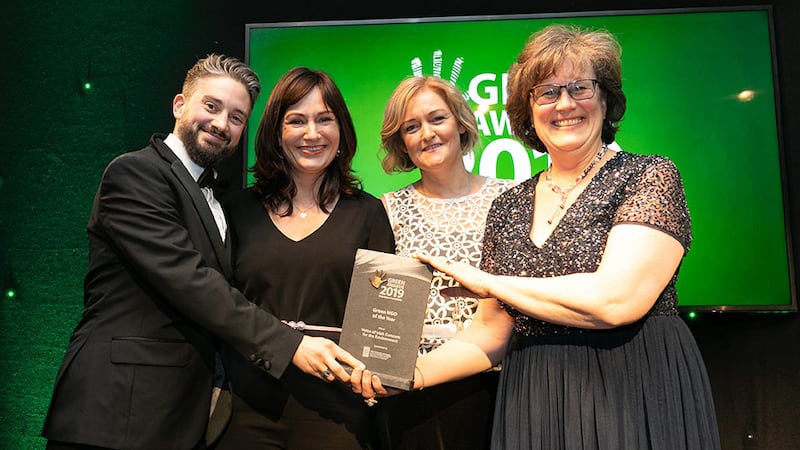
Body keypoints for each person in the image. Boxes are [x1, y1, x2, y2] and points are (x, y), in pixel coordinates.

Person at [354, 24, 721, 449]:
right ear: (528, 110)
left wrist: (488, 282)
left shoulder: (647, 175)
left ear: (605, 98)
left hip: (635, 388)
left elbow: (616, 301)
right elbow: (489, 333)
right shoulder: (509, 205)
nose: (564, 104)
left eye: (579, 87)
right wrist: (409, 376)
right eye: (547, 92)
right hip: (536, 396)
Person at [41, 55, 364, 450]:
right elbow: (191, 281)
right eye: (211, 106)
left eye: (236, 117)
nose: (220, 123)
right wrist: (291, 345)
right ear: (180, 105)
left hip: (180, 414)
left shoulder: (220, 199)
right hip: (116, 408)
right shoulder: (134, 174)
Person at [212, 67, 395, 450]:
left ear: (342, 130)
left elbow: (383, 319)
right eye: (297, 120)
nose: (312, 134)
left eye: (324, 120)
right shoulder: (236, 210)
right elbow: (217, 306)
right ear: (276, 134)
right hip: (247, 409)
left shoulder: (369, 213)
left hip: (339, 412)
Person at [374, 75, 515, 449]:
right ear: (401, 142)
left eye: (437, 119)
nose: (427, 134)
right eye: (411, 127)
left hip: (495, 383)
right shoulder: (387, 210)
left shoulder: (511, 200)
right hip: (412, 391)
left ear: (460, 122)